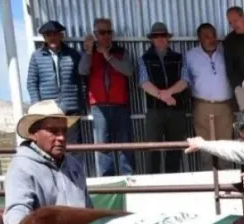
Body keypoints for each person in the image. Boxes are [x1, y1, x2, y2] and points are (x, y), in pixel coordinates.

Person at [78, 17, 135, 176]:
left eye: (109, 32)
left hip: (120, 103)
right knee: (102, 145)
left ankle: (128, 178)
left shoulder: (121, 52)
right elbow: (82, 70)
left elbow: (129, 71)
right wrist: (89, 52)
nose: (106, 36)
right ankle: (106, 179)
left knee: (125, 144)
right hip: (99, 106)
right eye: (102, 33)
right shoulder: (89, 53)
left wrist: (108, 56)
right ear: (95, 34)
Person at [138, 21, 190, 175]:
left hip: (176, 110)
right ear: (152, 39)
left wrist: (168, 93)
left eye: (163, 36)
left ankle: (173, 180)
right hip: (155, 110)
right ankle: (152, 181)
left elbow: (185, 81)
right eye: (156, 36)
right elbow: (144, 83)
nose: (160, 39)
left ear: (168, 38)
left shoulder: (179, 57)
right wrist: (164, 97)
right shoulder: (144, 58)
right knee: (152, 149)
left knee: (175, 148)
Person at [184, 22, 235, 170]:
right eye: (206, 36)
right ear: (199, 39)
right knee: (204, 145)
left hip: (225, 106)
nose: (211, 39)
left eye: (213, 35)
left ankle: (227, 181)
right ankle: (208, 179)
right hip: (202, 106)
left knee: (226, 145)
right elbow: (185, 81)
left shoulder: (226, 52)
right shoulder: (190, 56)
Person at [26, 20, 84, 144]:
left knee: (74, 147)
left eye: (55, 34)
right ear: (44, 37)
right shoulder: (36, 56)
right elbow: (31, 82)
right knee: (52, 144)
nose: (52, 37)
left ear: (61, 35)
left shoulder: (73, 54)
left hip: (71, 109)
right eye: (48, 35)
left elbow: (82, 79)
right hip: (49, 110)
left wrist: (81, 102)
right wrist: (37, 105)